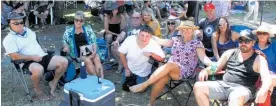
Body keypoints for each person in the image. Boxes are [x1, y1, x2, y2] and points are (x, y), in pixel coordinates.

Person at [129, 21, 212, 106]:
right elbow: (161, 41)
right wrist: (149, 36)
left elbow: (203, 58)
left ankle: (144, 85)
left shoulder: (197, 43)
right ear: (181, 30)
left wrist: (211, 64)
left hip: (185, 70)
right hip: (170, 69)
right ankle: (150, 103)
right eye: (184, 29)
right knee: (161, 79)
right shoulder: (176, 39)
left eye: (189, 29)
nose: (186, 31)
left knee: (169, 65)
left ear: (193, 31)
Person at [194, 30, 272, 106]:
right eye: (241, 40)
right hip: (224, 86)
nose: (243, 43)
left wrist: (264, 90)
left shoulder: (259, 59)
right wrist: (206, 71)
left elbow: (267, 77)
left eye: (247, 41)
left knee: (235, 97)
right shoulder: (230, 53)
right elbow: (216, 67)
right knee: (198, 87)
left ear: (253, 42)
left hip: (243, 89)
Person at [2, 12, 68, 100]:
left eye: (21, 22)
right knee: (38, 70)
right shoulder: (9, 39)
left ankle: (53, 82)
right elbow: (14, 56)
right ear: (9, 23)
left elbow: (35, 43)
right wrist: (32, 57)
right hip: (27, 61)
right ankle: (38, 91)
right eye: (16, 23)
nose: (20, 25)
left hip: (42, 56)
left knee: (64, 61)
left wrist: (42, 48)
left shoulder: (28, 31)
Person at [119, 25, 165, 90]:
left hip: (143, 72)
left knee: (141, 90)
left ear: (150, 37)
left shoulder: (153, 44)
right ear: (138, 34)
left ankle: (149, 75)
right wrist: (126, 68)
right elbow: (121, 53)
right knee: (126, 87)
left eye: (147, 36)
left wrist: (151, 54)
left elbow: (162, 58)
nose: (144, 38)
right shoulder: (130, 39)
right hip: (130, 69)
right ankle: (132, 77)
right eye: (142, 35)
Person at [62, 11, 104, 78]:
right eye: (76, 20)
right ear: (74, 20)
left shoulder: (88, 29)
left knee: (96, 58)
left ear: (83, 21)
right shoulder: (68, 31)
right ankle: (96, 79)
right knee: (87, 60)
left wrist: (95, 51)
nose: (78, 22)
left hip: (88, 49)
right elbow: (65, 42)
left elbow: (94, 42)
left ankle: (101, 79)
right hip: (77, 52)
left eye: (81, 21)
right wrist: (66, 47)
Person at [253, 25, 276, 105]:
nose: (262, 35)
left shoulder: (274, 46)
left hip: (272, 75)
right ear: (257, 35)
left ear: (268, 35)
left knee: (268, 81)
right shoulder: (252, 46)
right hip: (255, 75)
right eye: (259, 33)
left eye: (264, 33)